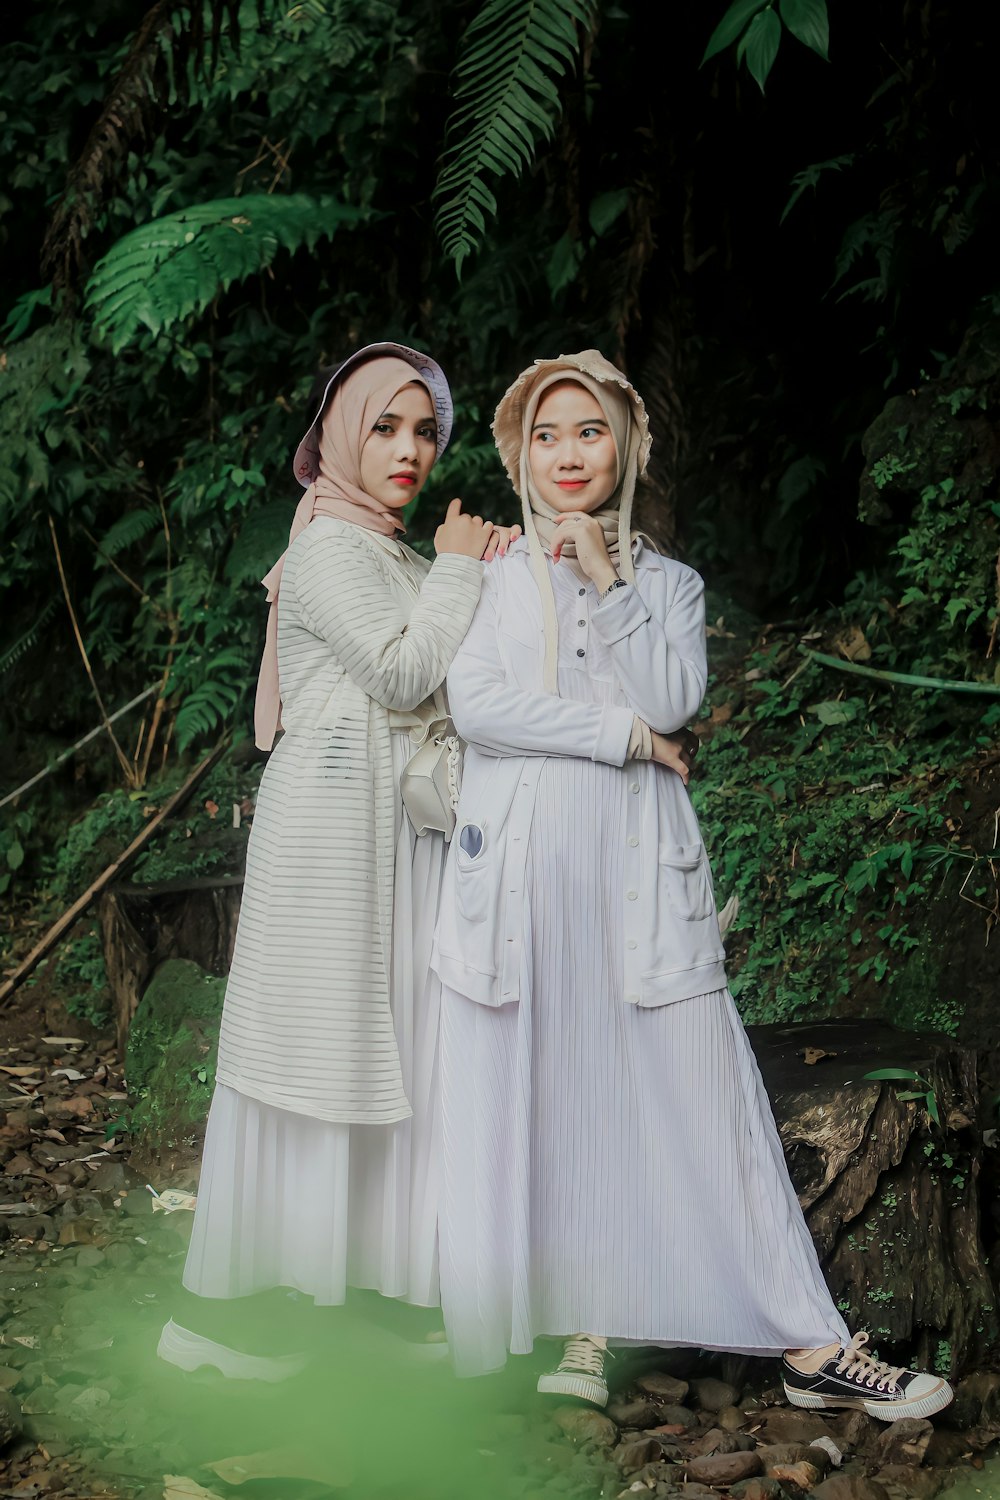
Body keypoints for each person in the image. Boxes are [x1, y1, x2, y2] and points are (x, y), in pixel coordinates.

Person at [431, 350, 953, 1423]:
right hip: (525, 885)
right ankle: (585, 1316)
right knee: (559, 1091)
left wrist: (611, 581)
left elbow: (671, 694)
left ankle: (808, 1343)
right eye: (545, 434)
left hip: (636, 880)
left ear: (625, 445)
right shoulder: (488, 578)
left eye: (588, 431)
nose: (568, 453)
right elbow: (481, 707)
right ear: (516, 453)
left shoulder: (666, 584)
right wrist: (619, 735)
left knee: (702, 1091)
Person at [159, 343, 513, 1379]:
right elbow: (405, 670)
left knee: (396, 1056)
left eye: (423, 431)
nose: (409, 449)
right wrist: (458, 568)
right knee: (306, 1065)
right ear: (340, 435)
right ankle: (231, 1319)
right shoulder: (322, 548)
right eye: (385, 427)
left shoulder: (394, 552)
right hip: (326, 845)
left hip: (400, 838)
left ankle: (373, 1291)